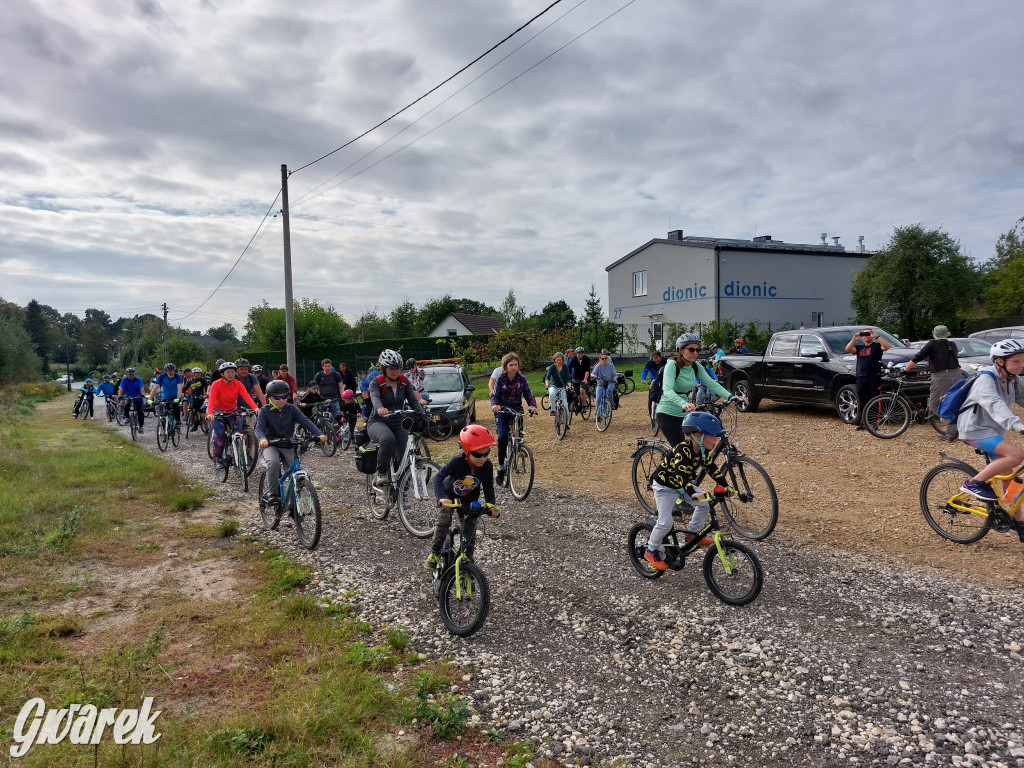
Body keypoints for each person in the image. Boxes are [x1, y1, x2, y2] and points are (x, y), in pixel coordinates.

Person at [955, 339, 1024, 540]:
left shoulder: (1013, 380)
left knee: (1011, 482)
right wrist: (1017, 424)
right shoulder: (985, 379)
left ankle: (1017, 522)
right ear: (1000, 362)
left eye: (1023, 361)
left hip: (994, 433)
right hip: (974, 430)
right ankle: (973, 483)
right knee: (1017, 454)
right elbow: (994, 404)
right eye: (1016, 361)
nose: (1021, 365)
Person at [644, 412, 729, 570]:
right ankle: (651, 549)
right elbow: (680, 475)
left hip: (682, 485)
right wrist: (693, 493)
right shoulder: (683, 449)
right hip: (665, 486)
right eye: (712, 436)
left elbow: (712, 468)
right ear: (698, 435)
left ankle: (692, 534)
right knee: (665, 522)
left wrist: (726, 486)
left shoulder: (702, 451)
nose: (715, 440)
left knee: (704, 505)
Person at [425, 425, 500, 569]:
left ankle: (467, 561)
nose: (483, 458)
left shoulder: (487, 466)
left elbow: (489, 487)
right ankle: (434, 553)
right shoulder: (457, 461)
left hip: (469, 499)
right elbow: (438, 478)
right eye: (478, 455)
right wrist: (441, 498)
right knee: (444, 519)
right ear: (467, 451)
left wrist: (491, 505)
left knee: (470, 527)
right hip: (449, 496)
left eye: (486, 453)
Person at [655, 334, 735, 448]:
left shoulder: (695, 366)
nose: (695, 353)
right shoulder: (672, 365)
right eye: (691, 349)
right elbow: (667, 389)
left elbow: (711, 383)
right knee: (680, 450)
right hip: (667, 413)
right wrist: (684, 404)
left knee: (702, 443)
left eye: (698, 350)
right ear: (681, 350)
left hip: (685, 414)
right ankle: (665, 465)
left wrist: (731, 397)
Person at [256, 380, 326, 502]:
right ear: (269, 398)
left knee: (295, 470)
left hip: (287, 443)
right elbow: (259, 428)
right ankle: (273, 494)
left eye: (284, 396)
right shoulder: (264, 411)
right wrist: (262, 439)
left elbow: (306, 421)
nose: (281, 400)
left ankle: (294, 502)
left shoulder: (292, 409)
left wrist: (319, 434)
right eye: (277, 397)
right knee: (273, 463)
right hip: (270, 444)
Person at [367, 349, 424, 486]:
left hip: (398, 421)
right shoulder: (376, 382)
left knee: (405, 454)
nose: (396, 371)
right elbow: (374, 397)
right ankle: (381, 473)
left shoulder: (403, 381)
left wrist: (422, 414)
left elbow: (413, 400)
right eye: (392, 368)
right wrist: (380, 408)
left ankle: (402, 493)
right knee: (388, 439)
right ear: (384, 368)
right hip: (378, 421)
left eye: (398, 368)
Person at [902, 325, 965, 440]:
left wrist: (905, 369)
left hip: (941, 376)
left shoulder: (932, 343)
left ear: (934, 334)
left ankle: (952, 428)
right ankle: (955, 431)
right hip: (957, 374)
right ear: (947, 334)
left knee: (935, 404)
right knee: (953, 401)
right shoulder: (952, 344)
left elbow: (918, 357)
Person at [489, 352, 538, 485]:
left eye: (515, 365)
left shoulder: (522, 379)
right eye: (511, 365)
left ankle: (518, 447)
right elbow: (494, 395)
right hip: (502, 410)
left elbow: (529, 394)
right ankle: (501, 467)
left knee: (519, 432)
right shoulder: (500, 379)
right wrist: (494, 405)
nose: (513, 367)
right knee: (503, 436)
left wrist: (533, 406)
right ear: (505, 366)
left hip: (516, 410)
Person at [206, 360, 259, 468]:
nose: (231, 375)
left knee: (238, 431)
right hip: (217, 412)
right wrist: (210, 413)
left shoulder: (237, 384)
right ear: (222, 374)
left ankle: (233, 453)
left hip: (232, 410)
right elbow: (211, 399)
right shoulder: (216, 384)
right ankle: (218, 459)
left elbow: (246, 396)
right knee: (220, 433)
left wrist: (255, 408)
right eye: (228, 372)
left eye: (233, 372)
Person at [845, 328, 890, 431]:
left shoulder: (877, 346)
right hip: (861, 377)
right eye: (864, 334)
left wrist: (876, 337)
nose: (866, 336)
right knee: (862, 400)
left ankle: (874, 422)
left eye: (868, 333)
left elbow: (887, 347)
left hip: (874, 377)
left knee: (874, 400)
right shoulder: (859, 347)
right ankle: (864, 422)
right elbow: (848, 349)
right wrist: (854, 339)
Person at [544, 351, 573, 426]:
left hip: (562, 387)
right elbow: (547, 377)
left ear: (562, 360)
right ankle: (553, 410)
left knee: (565, 405)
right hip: (554, 386)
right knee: (552, 394)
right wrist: (547, 384)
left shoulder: (565, 367)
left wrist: (569, 385)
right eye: (557, 360)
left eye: (560, 360)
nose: (559, 361)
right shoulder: (552, 367)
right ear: (554, 360)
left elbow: (568, 378)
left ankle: (566, 423)